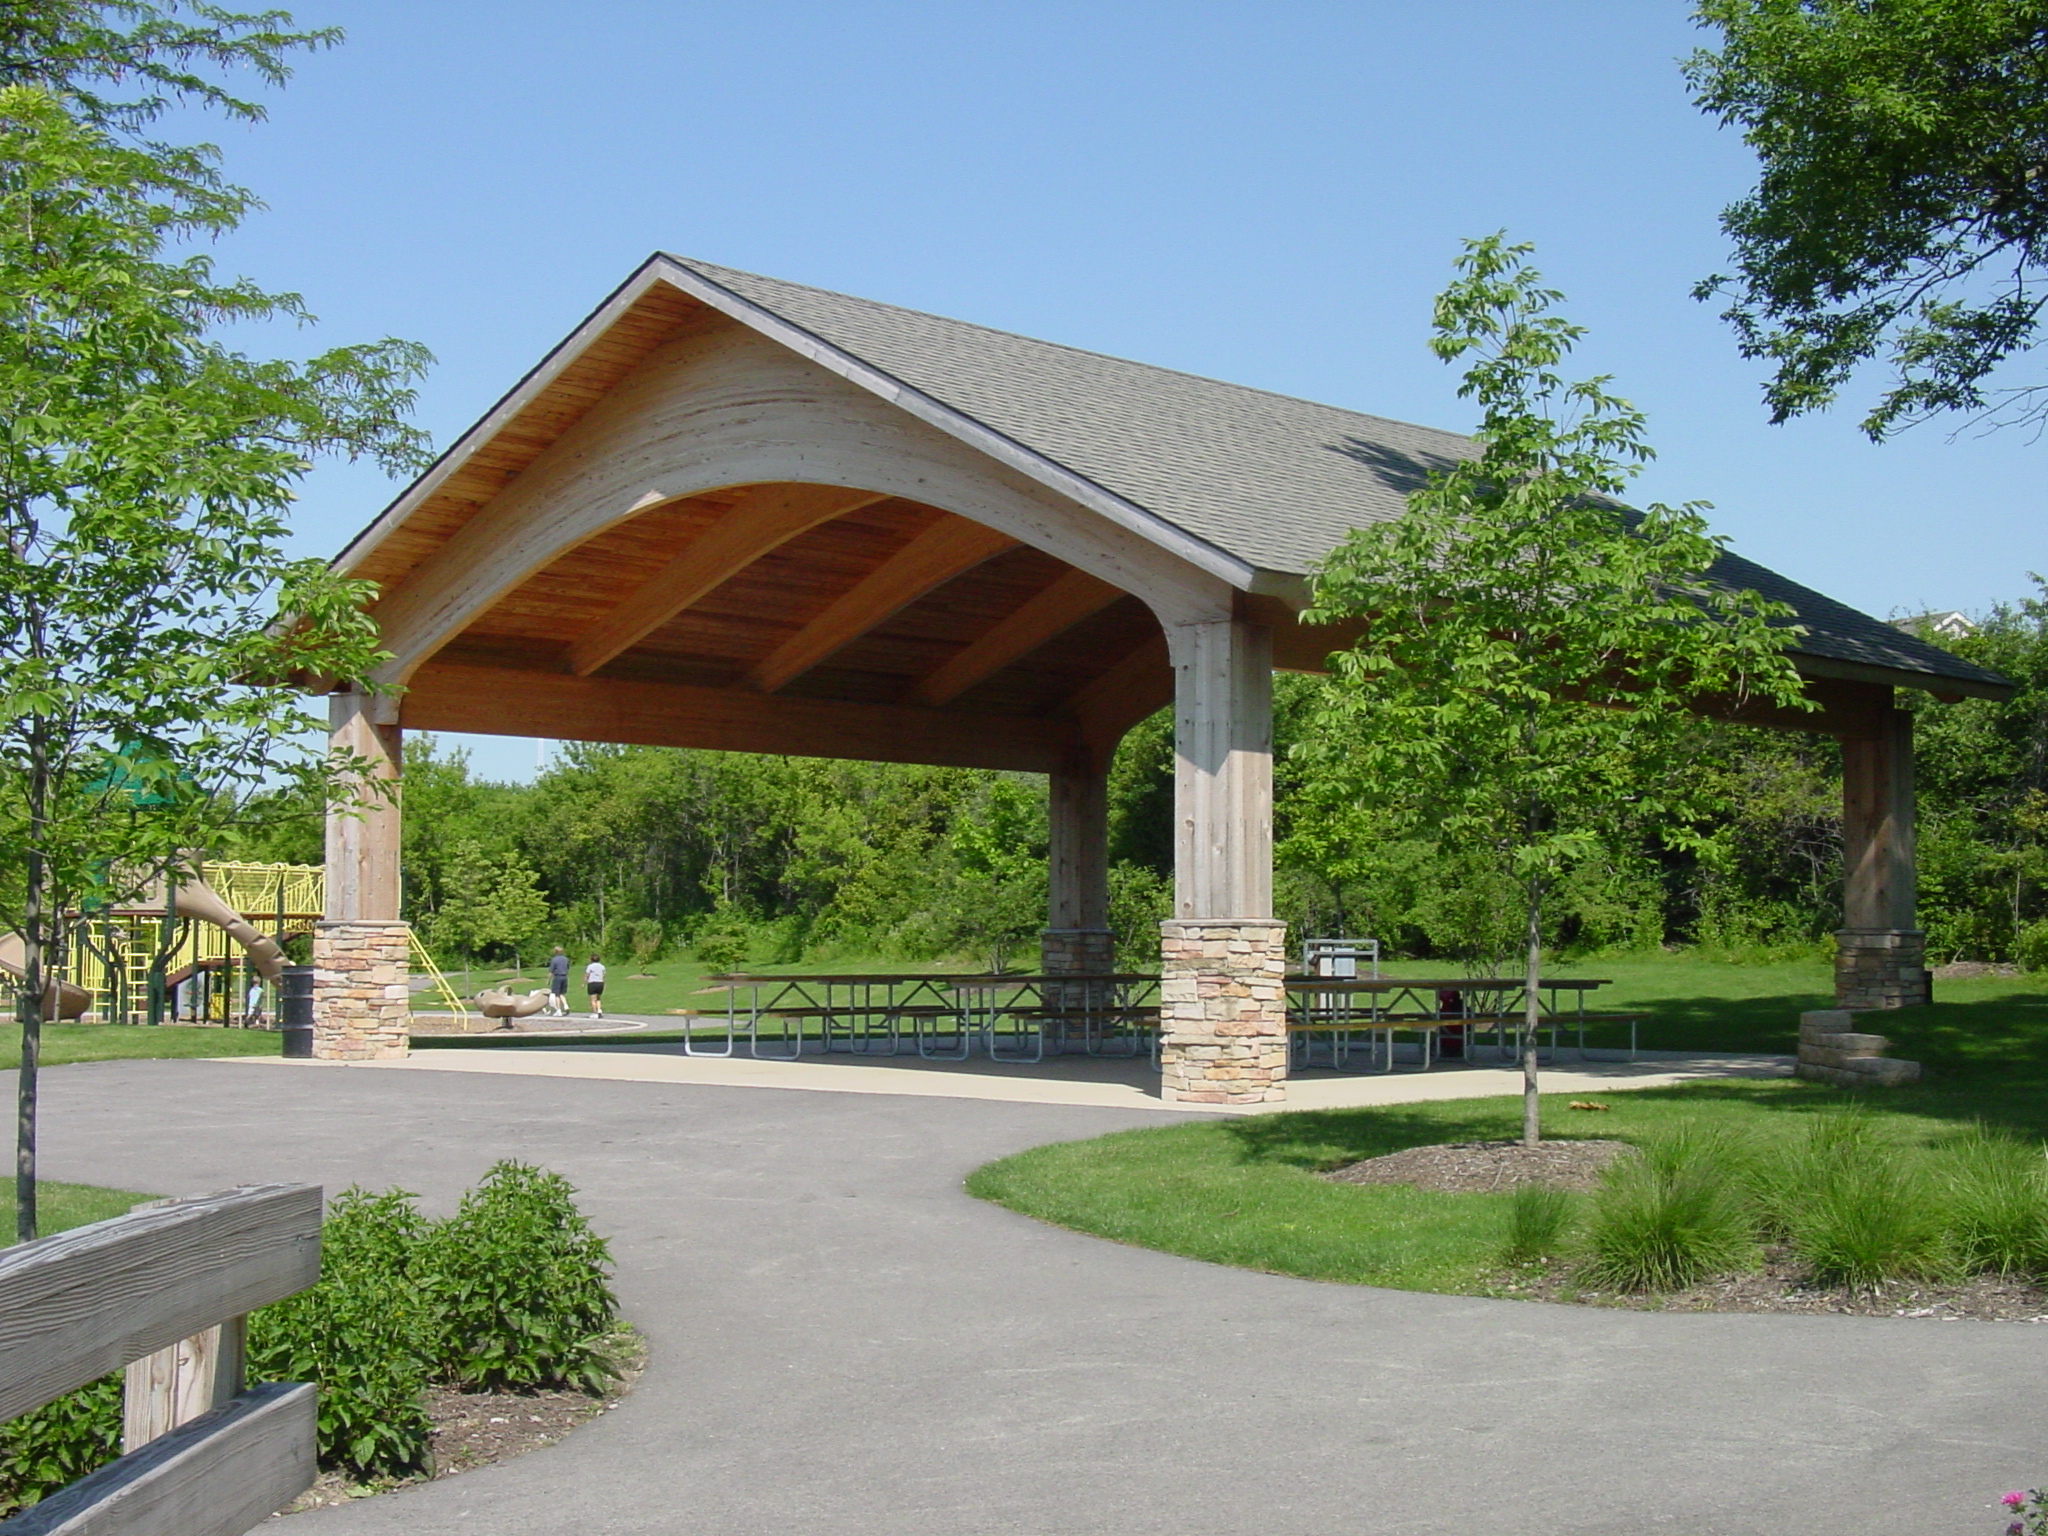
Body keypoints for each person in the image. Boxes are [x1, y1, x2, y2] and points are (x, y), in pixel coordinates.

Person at [546, 946, 570, 1017]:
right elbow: (567, 967)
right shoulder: (566, 959)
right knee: (562, 993)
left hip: (557, 976)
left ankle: (558, 1010)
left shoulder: (554, 960)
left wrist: (548, 980)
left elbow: (551, 971)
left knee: (557, 994)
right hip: (564, 976)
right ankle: (566, 1005)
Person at [584, 954, 606, 1018]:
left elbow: (587, 975)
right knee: (598, 998)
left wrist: (584, 982)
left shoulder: (590, 966)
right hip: (600, 982)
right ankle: (599, 1010)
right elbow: (604, 975)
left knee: (593, 999)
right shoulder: (602, 966)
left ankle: (594, 1012)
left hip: (592, 983)